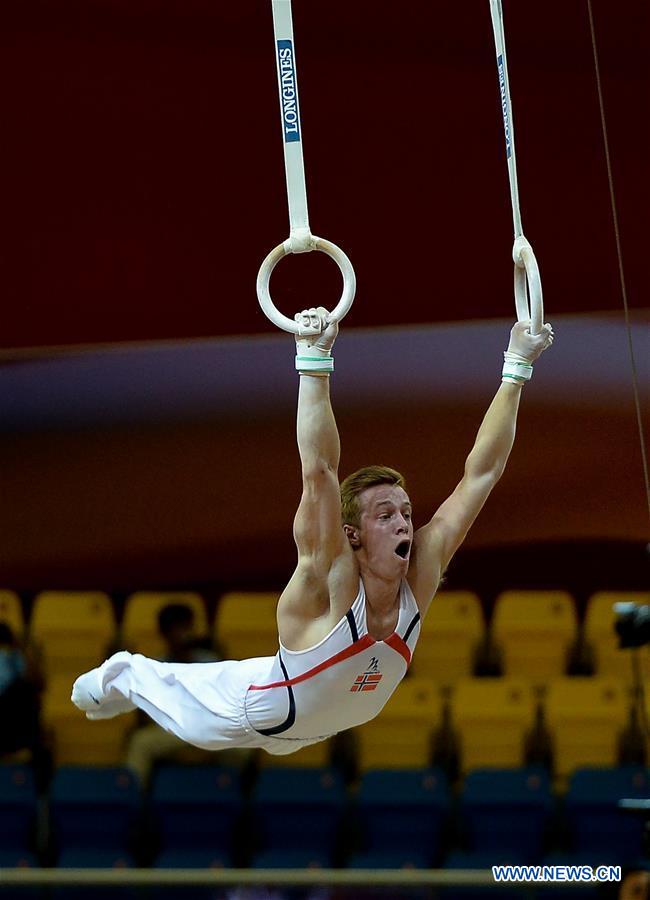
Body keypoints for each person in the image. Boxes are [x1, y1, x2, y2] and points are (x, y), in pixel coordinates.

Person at [72, 308, 553, 757]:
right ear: (352, 534)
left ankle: (124, 685)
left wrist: (518, 365)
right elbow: (319, 469)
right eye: (385, 515)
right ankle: (116, 681)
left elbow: (481, 475)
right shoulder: (333, 579)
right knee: (154, 684)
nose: (405, 522)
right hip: (253, 710)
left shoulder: (420, 572)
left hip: (316, 727)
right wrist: (314, 359)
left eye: (406, 512)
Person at [124, 603, 249, 787]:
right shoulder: (156, 667)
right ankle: (131, 803)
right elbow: (145, 716)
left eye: (186, 627)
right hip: (172, 733)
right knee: (141, 743)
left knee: (246, 744)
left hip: (209, 729)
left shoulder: (211, 661)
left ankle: (227, 793)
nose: (183, 634)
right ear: (164, 634)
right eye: (176, 629)